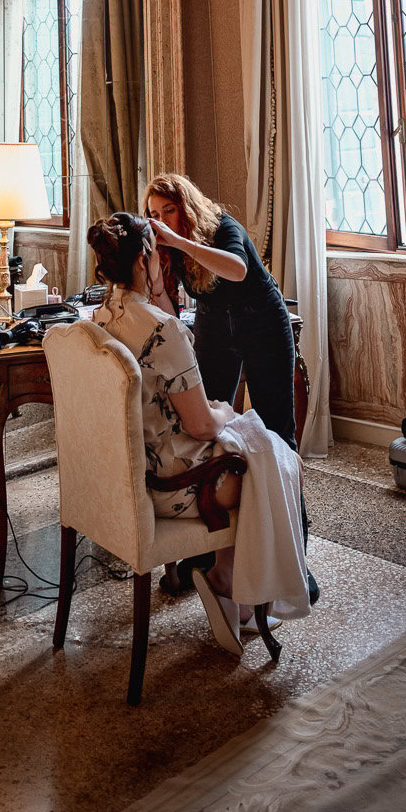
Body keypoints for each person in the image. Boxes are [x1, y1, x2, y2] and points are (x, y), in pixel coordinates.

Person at [143, 173, 321, 604]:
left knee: (277, 433)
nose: (161, 220)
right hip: (213, 328)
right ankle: (210, 552)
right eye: (153, 214)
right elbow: (168, 307)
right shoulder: (169, 248)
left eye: (169, 210)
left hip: (262, 321)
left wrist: (178, 241)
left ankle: (296, 556)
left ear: (186, 206)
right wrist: (153, 273)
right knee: (208, 428)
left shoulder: (223, 227)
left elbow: (238, 270)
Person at [86, 211, 248, 656]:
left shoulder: (96, 322)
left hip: (121, 476)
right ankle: (229, 581)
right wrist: (224, 412)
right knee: (267, 460)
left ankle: (232, 583)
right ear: (145, 261)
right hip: (168, 484)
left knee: (255, 446)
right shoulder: (165, 330)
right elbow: (198, 425)